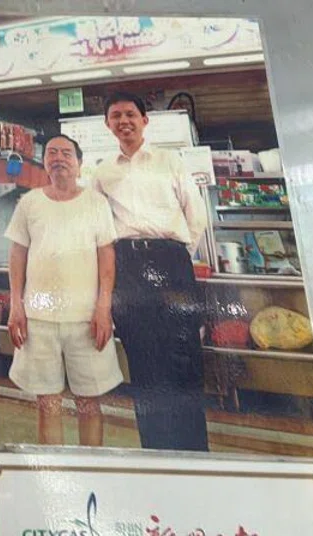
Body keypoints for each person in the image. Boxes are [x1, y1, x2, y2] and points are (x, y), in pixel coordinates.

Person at [92, 91, 210, 451]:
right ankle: (155, 450)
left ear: (144, 120)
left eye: (130, 114)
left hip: (171, 261)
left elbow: (196, 215)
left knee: (183, 357)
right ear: (108, 124)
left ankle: (194, 452)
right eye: (116, 116)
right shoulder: (102, 171)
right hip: (127, 267)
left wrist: (176, 254)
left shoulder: (169, 161)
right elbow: (99, 228)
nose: (123, 121)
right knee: (143, 360)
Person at [6, 134, 122, 446]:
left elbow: (106, 257)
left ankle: (89, 467)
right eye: (52, 153)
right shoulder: (29, 203)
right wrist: (16, 305)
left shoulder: (96, 203)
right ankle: (53, 470)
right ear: (44, 162)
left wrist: (104, 308)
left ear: (80, 164)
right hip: (38, 320)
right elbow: (17, 255)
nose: (59, 158)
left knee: (89, 403)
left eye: (66, 153)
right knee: (47, 404)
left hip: (87, 320)